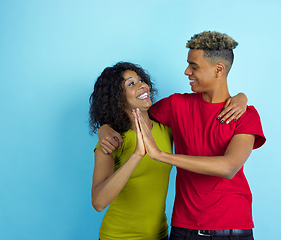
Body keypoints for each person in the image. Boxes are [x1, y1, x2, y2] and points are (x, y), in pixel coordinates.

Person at [98, 31, 266, 240]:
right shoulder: (176, 105)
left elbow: (229, 167)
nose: (187, 71)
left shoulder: (246, 114)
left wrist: (161, 155)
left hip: (232, 228)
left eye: (194, 66)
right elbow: (131, 111)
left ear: (219, 69)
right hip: (183, 229)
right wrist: (103, 127)